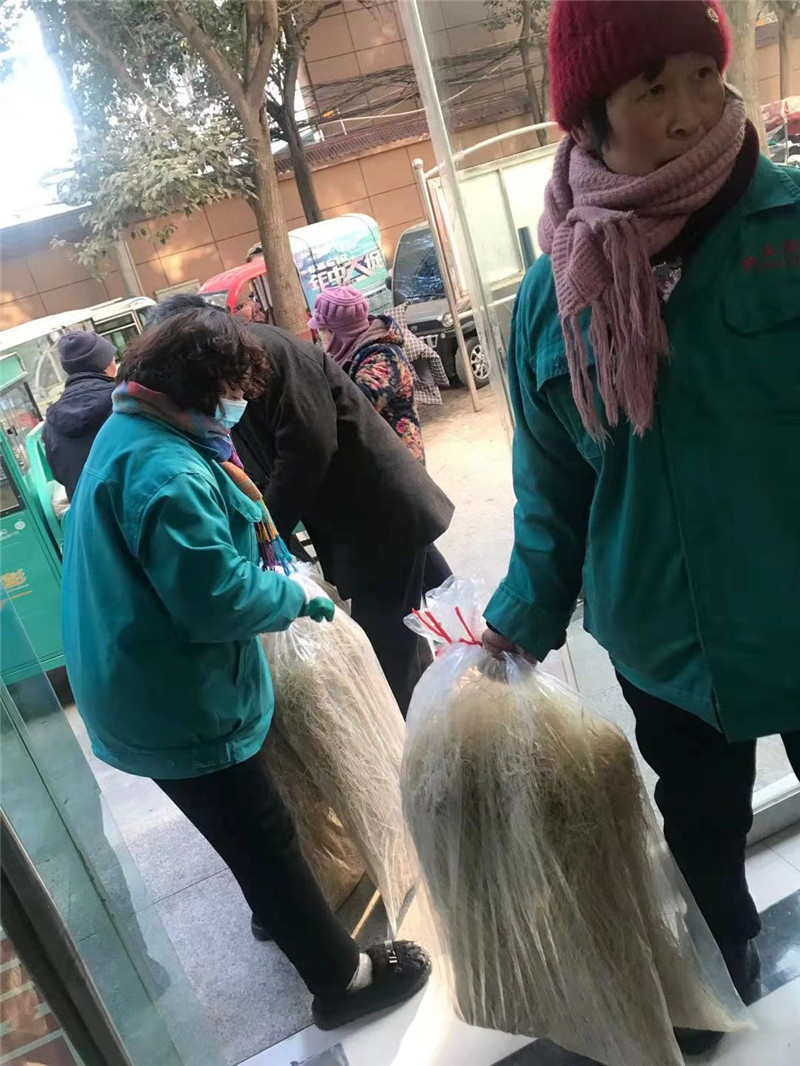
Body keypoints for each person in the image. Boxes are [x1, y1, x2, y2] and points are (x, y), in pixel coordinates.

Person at [482, 0, 800, 1056]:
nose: (686, 110)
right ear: (588, 118)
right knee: (699, 826)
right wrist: (516, 621)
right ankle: (719, 971)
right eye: (650, 88)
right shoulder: (551, 297)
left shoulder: (787, 228)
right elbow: (550, 491)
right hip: (666, 643)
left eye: (700, 75)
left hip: (795, 607)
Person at [61, 305, 431, 1029]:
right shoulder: (166, 471)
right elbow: (216, 599)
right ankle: (343, 982)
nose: (238, 403)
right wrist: (290, 596)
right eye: (233, 390)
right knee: (263, 833)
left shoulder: (134, 427)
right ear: (200, 387)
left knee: (243, 828)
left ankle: (278, 908)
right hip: (172, 697)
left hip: (137, 675)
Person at [147, 294, 454, 718]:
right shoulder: (233, 365)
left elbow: (307, 448)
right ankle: (432, 720)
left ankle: (410, 738)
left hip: (377, 516)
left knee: (387, 651)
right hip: (360, 522)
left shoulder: (269, 353)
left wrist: (268, 533)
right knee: (407, 634)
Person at [309, 287, 424, 462]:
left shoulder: (383, 357)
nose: (321, 337)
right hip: (374, 460)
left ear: (338, 332)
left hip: (397, 465)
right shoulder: (348, 355)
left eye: (323, 330)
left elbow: (356, 407)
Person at [43, 330, 117, 499]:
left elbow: (60, 474)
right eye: (113, 358)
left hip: (89, 511)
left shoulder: (51, 425)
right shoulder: (123, 400)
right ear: (105, 365)